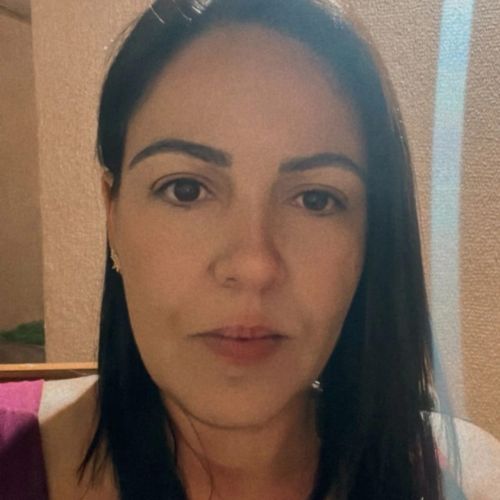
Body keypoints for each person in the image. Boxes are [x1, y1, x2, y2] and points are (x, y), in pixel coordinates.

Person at [1, 0, 499, 499]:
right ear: (113, 213)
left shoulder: (466, 482)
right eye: (186, 190)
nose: (255, 264)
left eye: (316, 199)